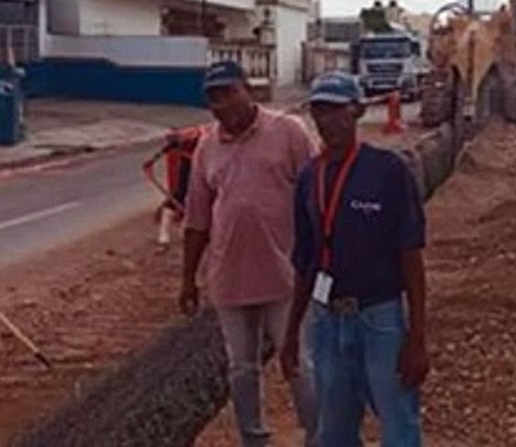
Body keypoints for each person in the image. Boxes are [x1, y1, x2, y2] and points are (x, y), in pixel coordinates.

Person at [281, 72, 430, 447]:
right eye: (319, 110)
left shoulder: (388, 172)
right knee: (334, 430)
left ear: (357, 111)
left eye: (336, 109)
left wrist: (416, 338)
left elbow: (411, 257)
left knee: (398, 424)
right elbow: (305, 260)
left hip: (379, 320)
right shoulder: (308, 178)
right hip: (327, 322)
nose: (327, 119)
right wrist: (291, 333)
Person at [180, 61, 319, 447]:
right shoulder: (207, 147)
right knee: (242, 369)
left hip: (285, 275)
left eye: (228, 92)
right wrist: (187, 280)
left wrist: (323, 258)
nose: (221, 104)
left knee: (299, 364)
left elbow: (316, 198)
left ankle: (318, 436)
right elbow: (196, 220)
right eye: (213, 97)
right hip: (229, 277)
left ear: (248, 89)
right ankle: (253, 439)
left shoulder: (288, 132)